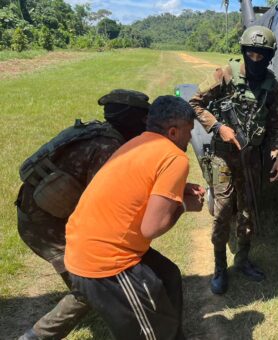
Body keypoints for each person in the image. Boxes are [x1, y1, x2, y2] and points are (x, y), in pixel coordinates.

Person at [64, 95, 204, 340]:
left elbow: (142, 185)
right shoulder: (175, 157)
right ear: (173, 131)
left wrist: (176, 192)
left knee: (168, 275)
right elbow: (152, 227)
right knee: (152, 333)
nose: (190, 138)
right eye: (188, 131)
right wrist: (182, 205)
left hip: (82, 241)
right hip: (105, 262)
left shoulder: (138, 143)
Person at [16, 89, 150, 340]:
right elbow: (106, 207)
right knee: (90, 286)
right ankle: (35, 336)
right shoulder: (107, 148)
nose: (145, 124)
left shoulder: (101, 133)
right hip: (44, 226)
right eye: (142, 118)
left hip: (43, 214)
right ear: (128, 118)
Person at [189, 26, 278, 295]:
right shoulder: (225, 74)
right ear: (244, 51)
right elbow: (194, 103)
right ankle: (220, 266)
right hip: (223, 156)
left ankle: (242, 260)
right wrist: (219, 126)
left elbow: (277, 124)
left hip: (252, 157)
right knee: (222, 212)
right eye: (251, 54)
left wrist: (277, 155)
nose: (256, 60)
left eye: (262, 56)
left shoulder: (270, 84)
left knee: (249, 210)